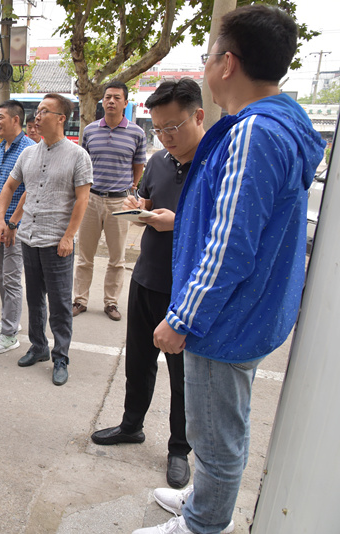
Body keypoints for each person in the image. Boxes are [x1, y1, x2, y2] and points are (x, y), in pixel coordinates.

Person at [136, 6, 326, 534]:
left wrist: (182, 318)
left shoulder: (254, 133)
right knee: (222, 425)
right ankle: (203, 499)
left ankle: (203, 524)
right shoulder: (282, 122)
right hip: (248, 310)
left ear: (228, 63)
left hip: (224, 321)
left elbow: (229, 247)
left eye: (208, 54)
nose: (206, 65)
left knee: (216, 436)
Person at [90, 79, 205, 490]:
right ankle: (131, 424)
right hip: (147, 277)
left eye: (173, 127)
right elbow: (146, 201)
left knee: (182, 376)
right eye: (159, 129)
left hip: (186, 288)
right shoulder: (158, 162)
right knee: (138, 361)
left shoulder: (215, 166)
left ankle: (179, 449)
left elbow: (225, 231)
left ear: (198, 116)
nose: (166, 137)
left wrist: (178, 221)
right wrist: (137, 208)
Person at [0, 93, 93, 386]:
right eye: (37, 111)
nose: (37, 116)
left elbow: (82, 200)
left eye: (44, 111)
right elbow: (11, 187)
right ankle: (38, 347)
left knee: (60, 303)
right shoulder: (28, 154)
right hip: (29, 238)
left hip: (57, 242)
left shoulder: (78, 155)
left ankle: (60, 356)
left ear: (61, 119)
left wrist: (69, 237)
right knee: (34, 298)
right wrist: (4, 221)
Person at [73, 80, 146, 321]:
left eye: (116, 97)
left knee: (117, 259)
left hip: (119, 203)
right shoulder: (90, 130)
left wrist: (131, 188)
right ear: (102, 101)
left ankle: (111, 302)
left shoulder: (137, 133)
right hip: (91, 199)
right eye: (107, 97)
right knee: (85, 256)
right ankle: (80, 299)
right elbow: (83, 164)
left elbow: (138, 165)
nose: (111, 101)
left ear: (125, 102)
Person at [0, 100, 34, 354]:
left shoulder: (30, 149)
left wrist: (10, 222)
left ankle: (10, 335)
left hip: (14, 227)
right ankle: (9, 319)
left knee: (12, 279)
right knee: (1, 275)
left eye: (0, 117)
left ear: (16, 119)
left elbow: (28, 191)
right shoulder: (0, 148)